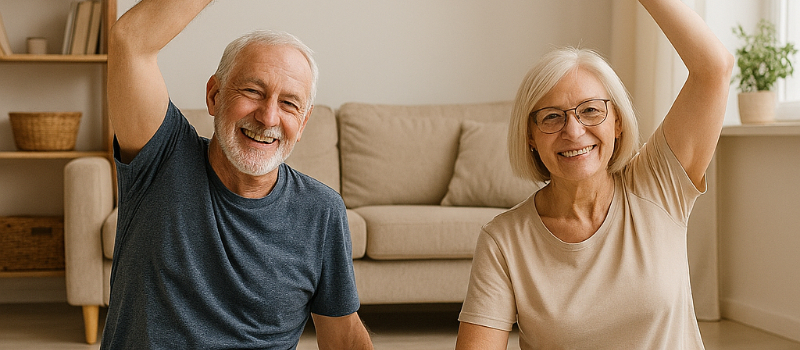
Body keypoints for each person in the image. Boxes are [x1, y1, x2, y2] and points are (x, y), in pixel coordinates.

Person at [455, 0, 733, 348]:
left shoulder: (658, 184)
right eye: (552, 117)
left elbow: (714, 68)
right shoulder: (504, 241)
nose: (573, 131)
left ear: (617, 121)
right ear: (530, 136)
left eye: (590, 110)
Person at [103, 0, 373, 349]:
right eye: (252, 91)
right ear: (214, 96)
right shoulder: (161, 158)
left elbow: (344, 337)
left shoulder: (321, 211)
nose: (269, 117)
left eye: (289, 103)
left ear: (302, 124)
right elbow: (130, 40)